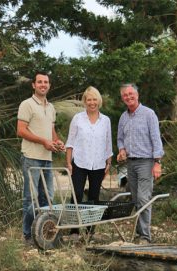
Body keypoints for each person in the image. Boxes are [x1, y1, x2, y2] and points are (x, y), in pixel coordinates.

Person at [17, 71, 65, 244]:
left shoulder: (50, 107)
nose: (43, 85)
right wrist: (43, 141)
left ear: (49, 85)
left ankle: (45, 235)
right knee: (31, 198)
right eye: (39, 82)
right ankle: (28, 236)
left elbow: (50, 131)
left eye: (46, 82)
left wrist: (57, 141)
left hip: (48, 158)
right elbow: (21, 130)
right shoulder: (26, 104)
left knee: (48, 198)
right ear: (33, 85)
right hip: (31, 157)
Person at [117, 83, 164, 244]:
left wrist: (157, 162)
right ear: (122, 98)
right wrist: (121, 150)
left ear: (137, 94)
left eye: (131, 94)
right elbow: (120, 139)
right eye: (125, 95)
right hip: (130, 163)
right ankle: (139, 233)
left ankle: (145, 237)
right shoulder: (123, 117)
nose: (128, 97)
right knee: (136, 198)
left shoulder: (149, 114)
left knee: (144, 198)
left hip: (146, 162)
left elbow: (156, 139)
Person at [66, 86, 113, 239]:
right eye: (89, 99)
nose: (92, 102)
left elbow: (108, 144)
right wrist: (69, 163)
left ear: (98, 101)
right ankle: (74, 231)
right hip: (79, 162)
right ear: (85, 101)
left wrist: (108, 163)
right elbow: (70, 142)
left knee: (94, 197)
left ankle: (90, 231)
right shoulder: (78, 119)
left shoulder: (105, 120)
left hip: (99, 164)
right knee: (77, 194)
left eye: (94, 99)